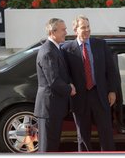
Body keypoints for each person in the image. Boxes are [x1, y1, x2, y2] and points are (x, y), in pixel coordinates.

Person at [62, 15, 118, 151]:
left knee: (106, 132)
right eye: (83, 28)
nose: (87, 30)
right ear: (75, 30)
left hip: (100, 95)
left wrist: (112, 90)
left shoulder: (100, 44)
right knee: (83, 135)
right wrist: (69, 85)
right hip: (79, 97)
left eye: (88, 27)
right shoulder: (66, 49)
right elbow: (64, 73)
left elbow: (111, 69)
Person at [34, 18, 76, 152]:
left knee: (52, 143)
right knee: (48, 147)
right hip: (49, 108)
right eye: (63, 30)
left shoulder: (55, 48)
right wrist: (70, 89)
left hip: (53, 107)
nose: (66, 32)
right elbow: (54, 81)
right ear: (53, 32)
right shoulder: (48, 52)